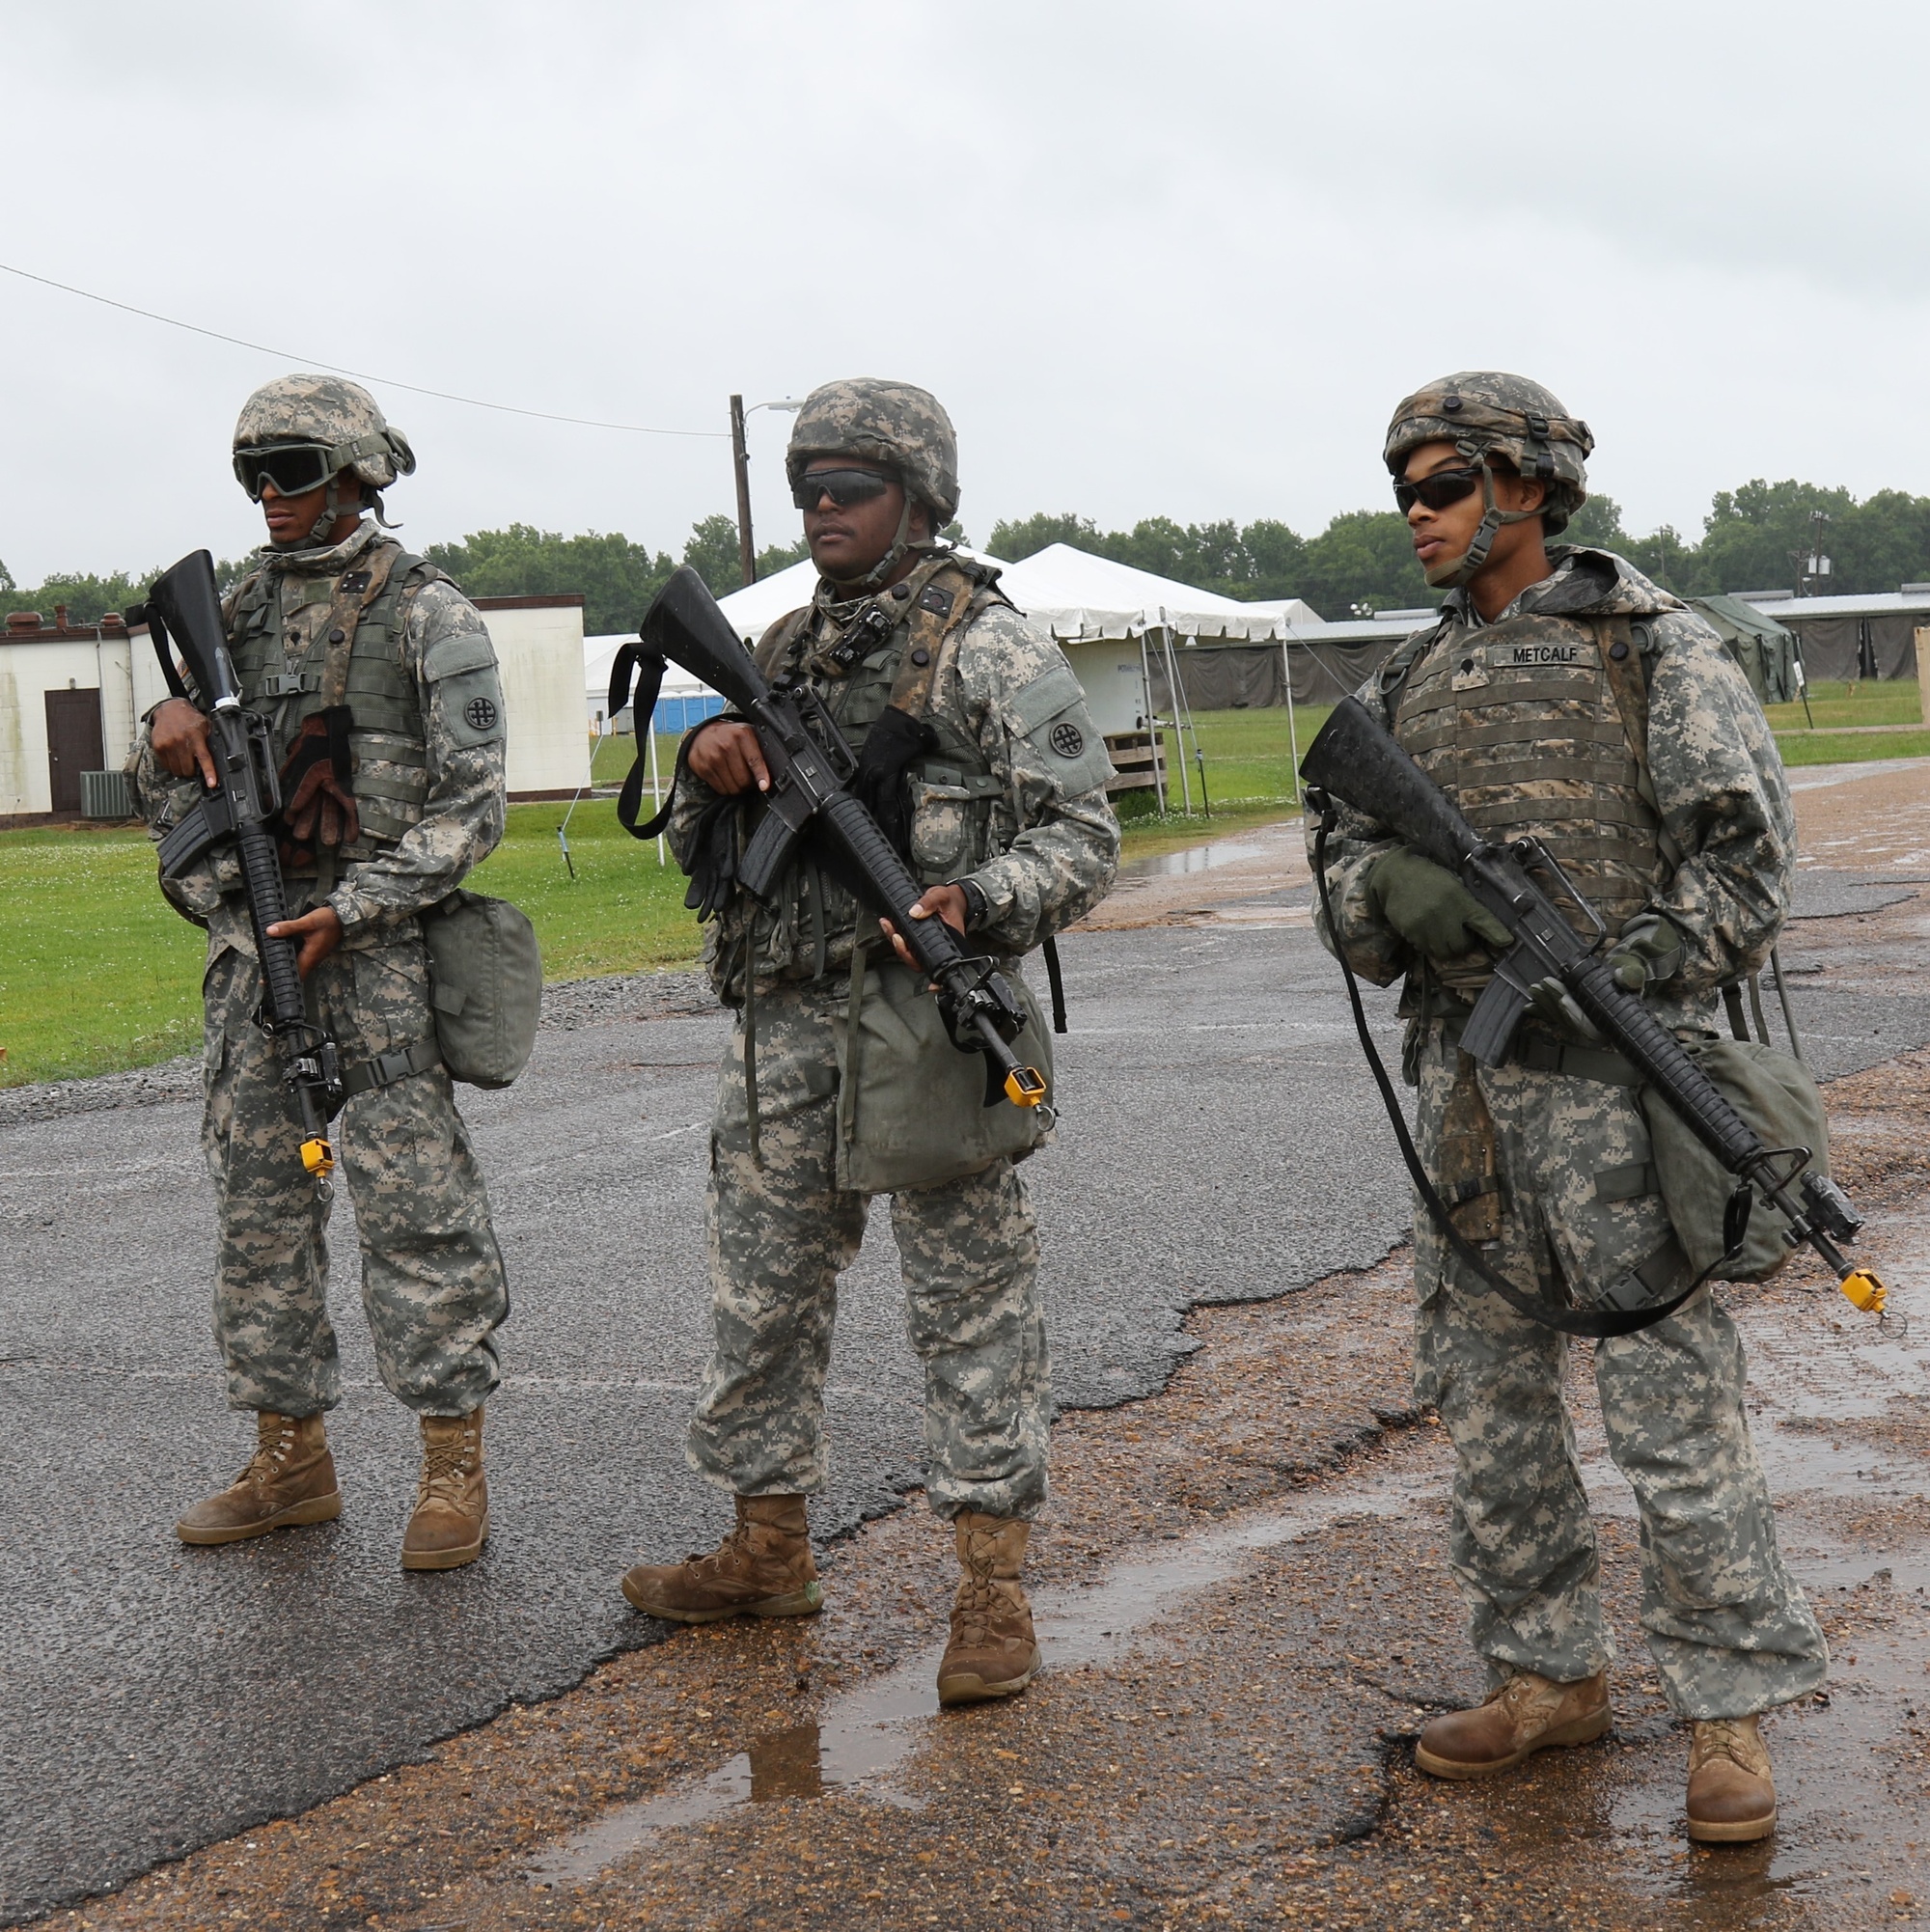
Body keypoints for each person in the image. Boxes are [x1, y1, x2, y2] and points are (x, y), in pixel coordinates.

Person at [1310, 372, 1826, 1843]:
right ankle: (1544, 1677)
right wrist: (1390, 893)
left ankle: (1725, 1711)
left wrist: (1622, 971)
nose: (1416, 515)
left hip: (1620, 1096)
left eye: (1444, 486)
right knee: (1486, 1399)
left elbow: (1746, 871)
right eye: (1404, 490)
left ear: (1527, 486)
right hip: (1466, 1103)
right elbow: (1339, 866)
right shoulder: (1401, 686)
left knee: (1672, 1405)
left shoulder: (1654, 652)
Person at [620, 377, 1119, 1705]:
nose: (822, 511)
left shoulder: (988, 645)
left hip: (924, 1023)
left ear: (921, 498)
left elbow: (1084, 830)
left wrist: (983, 900)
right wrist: (711, 760)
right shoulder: (777, 648)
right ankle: (765, 1547)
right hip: (782, 1021)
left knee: (971, 1311)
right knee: (759, 1301)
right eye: (807, 490)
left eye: (851, 489)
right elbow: (695, 854)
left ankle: (991, 1591)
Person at [134, 373, 510, 1571]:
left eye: (290, 472)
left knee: (415, 1213)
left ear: (356, 476)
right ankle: (288, 1456)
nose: (266, 495)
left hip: (379, 959)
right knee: (259, 1211)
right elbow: (172, 806)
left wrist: (358, 906)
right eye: (251, 474)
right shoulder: (226, 613)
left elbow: (474, 812)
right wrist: (167, 732)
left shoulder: (426, 615)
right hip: (257, 960)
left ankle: (452, 1461)